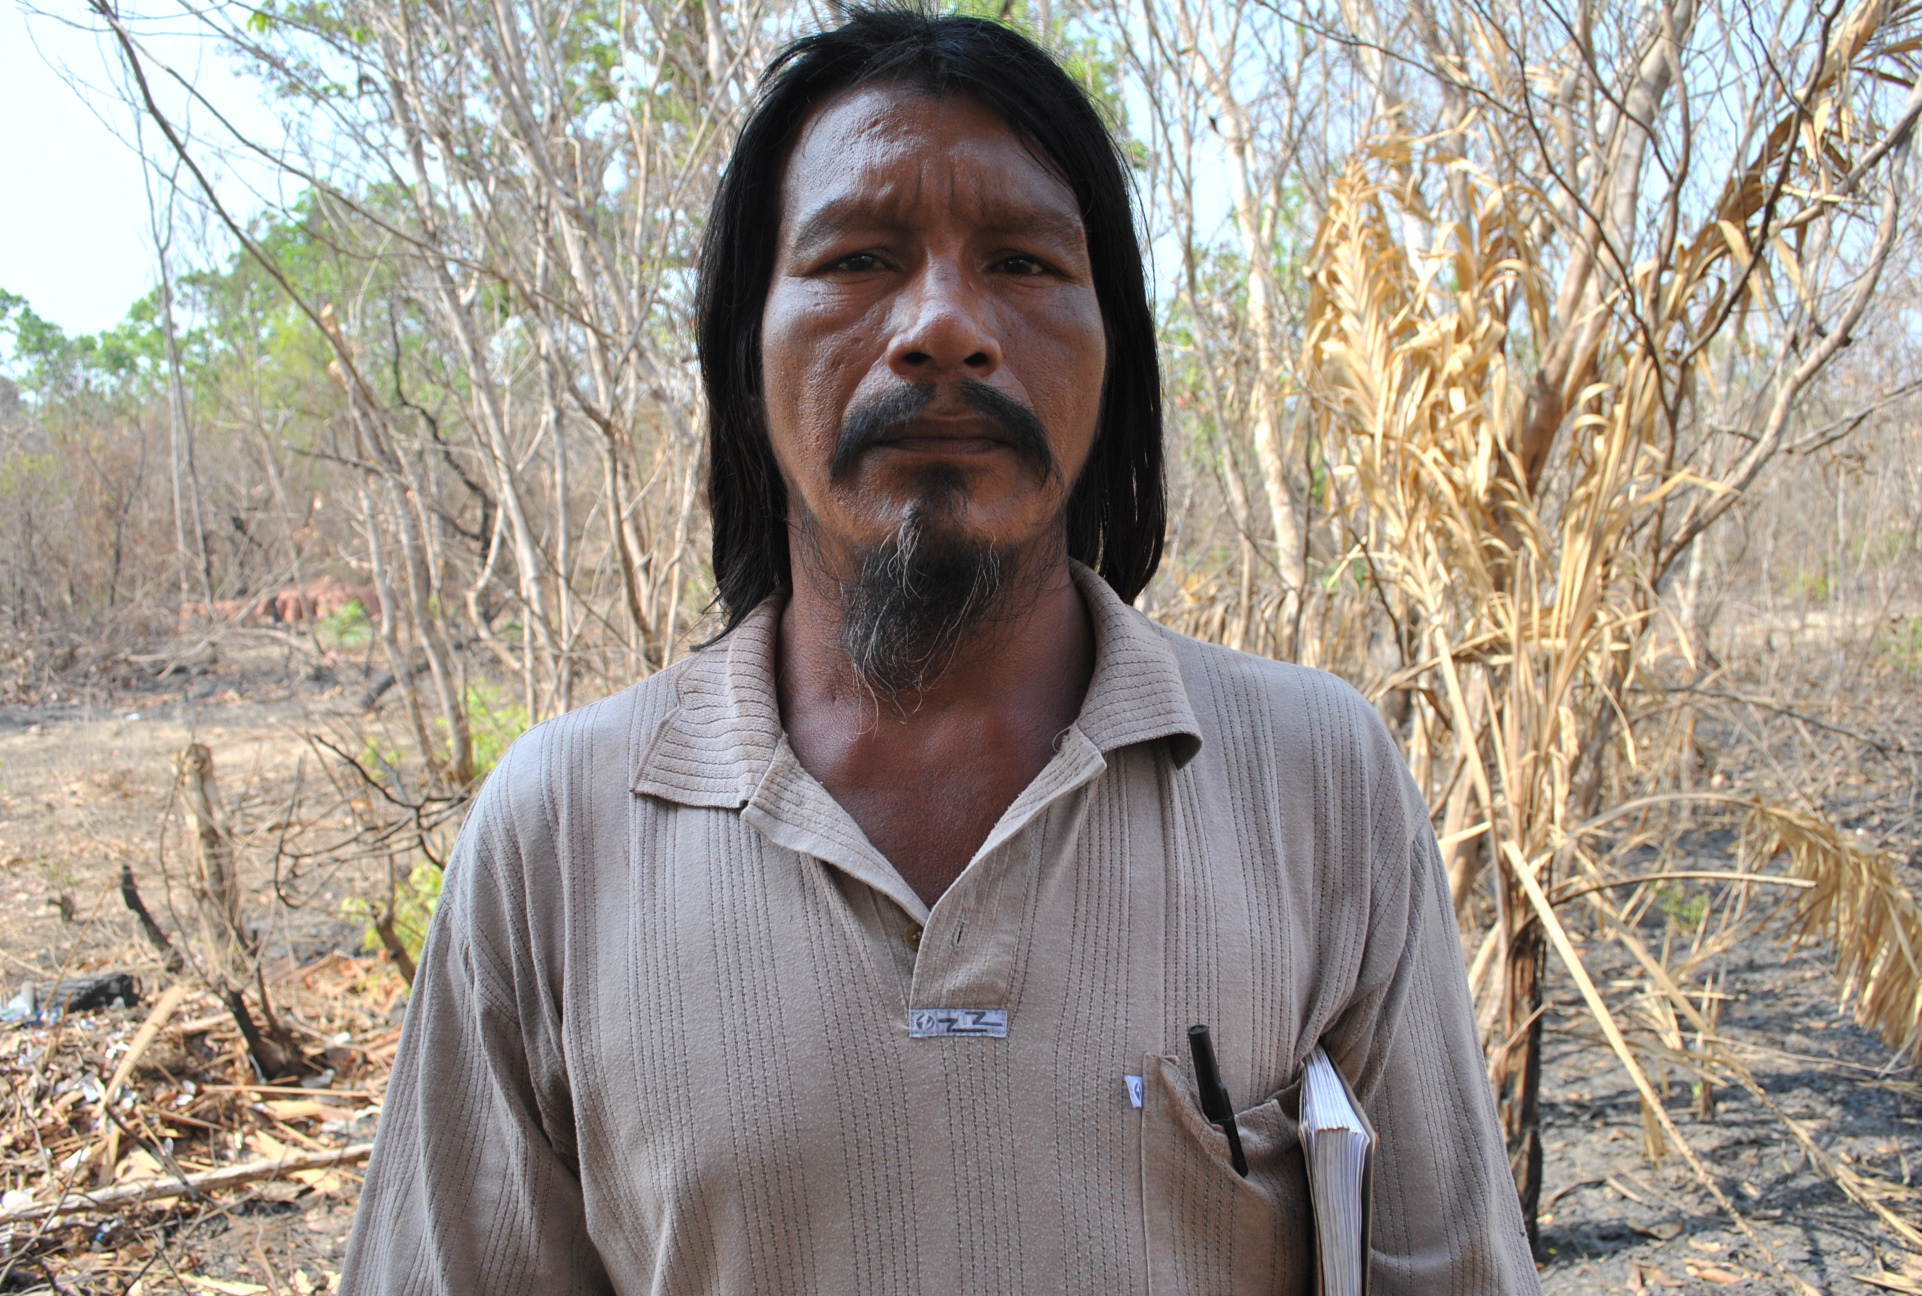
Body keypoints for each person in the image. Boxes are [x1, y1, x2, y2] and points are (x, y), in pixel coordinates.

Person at [341, 10, 1541, 1293]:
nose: (946, 328)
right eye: (858, 257)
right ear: (744, 358)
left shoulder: (1316, 779)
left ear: (1113, 362)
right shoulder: (556, 833)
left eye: (1023, 263)